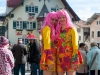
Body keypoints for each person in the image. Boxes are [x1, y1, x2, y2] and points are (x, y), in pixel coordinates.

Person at [55, 9, 83, 75]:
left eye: (63, 17)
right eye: (60, 17)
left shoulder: (72, 29)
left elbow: (75, 46)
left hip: (70, 58)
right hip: (60, 58)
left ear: (67, 18)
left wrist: (74, 60)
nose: (61, 19)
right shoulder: (58, 31)